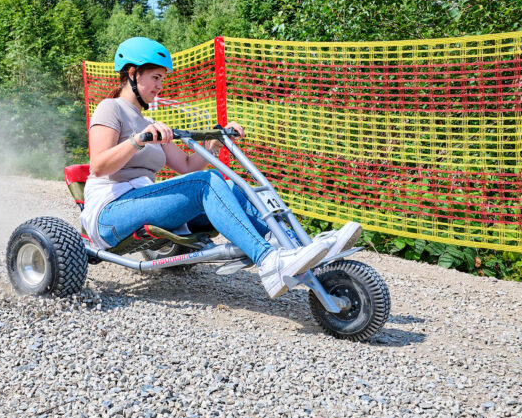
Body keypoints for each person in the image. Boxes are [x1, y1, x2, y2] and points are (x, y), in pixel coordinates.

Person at [81, 37, 361, 299]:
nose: (160, 86)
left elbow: (186, 166)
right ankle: (268, 262)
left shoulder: (149, 121)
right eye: (156, 78)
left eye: (162, 79)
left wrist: (216, 142)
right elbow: (99, 166)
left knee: (229, 184)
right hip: (111, 211)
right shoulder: (111, 108)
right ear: (132, 73)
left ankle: (294, 247)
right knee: (208, 181)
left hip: (141, 202)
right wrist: (137, 141)